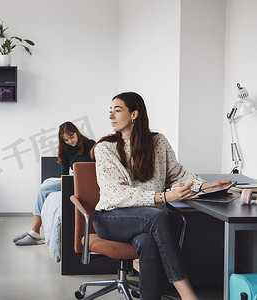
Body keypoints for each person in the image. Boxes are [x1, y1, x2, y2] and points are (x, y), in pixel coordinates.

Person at [92, 92, 230, 300]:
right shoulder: (105, 148)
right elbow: (115, 193)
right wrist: (163, 197)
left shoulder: (158, 142)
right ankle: (187, 294)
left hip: (148, 221)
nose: (111, 116)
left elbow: (177, 174)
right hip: (112, 218)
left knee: (147, 241)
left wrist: (208, 185)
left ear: (134, 114)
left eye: (117, 110)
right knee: (157, 217)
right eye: (109, 111)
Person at [13, 121, 95, 246]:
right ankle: (34, 231)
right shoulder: (66, 149)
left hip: (86, 180)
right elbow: (64, 174)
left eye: (71, 137)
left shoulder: (91, 145)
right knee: (44, 189)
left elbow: (97, 168)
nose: (70, 141)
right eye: (66, 140)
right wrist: (65, 183)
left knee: (44, 190)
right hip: (72, 179)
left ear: (77, 133)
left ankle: (34, 233)